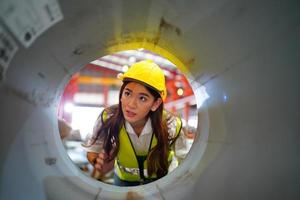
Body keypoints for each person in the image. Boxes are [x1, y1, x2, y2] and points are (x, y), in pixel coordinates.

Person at [85, 60, 188, 186]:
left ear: (155, 104)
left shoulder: (171, 125)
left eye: (142, 98)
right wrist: (98, 162)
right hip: (123, 181)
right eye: (127, 93)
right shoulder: (108, 118)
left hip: (160, 182)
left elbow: (186, 161)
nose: (131, 104)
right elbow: (93, 150)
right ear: (121, 94)